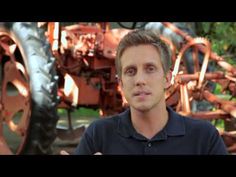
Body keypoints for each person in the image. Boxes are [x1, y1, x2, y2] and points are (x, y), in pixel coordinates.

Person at [73, 29, 228, 155]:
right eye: (131, 71)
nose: (140, 80)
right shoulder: (99, 136)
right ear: (121, 83)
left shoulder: (204, 138)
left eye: (150, 69)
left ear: (167, 79)